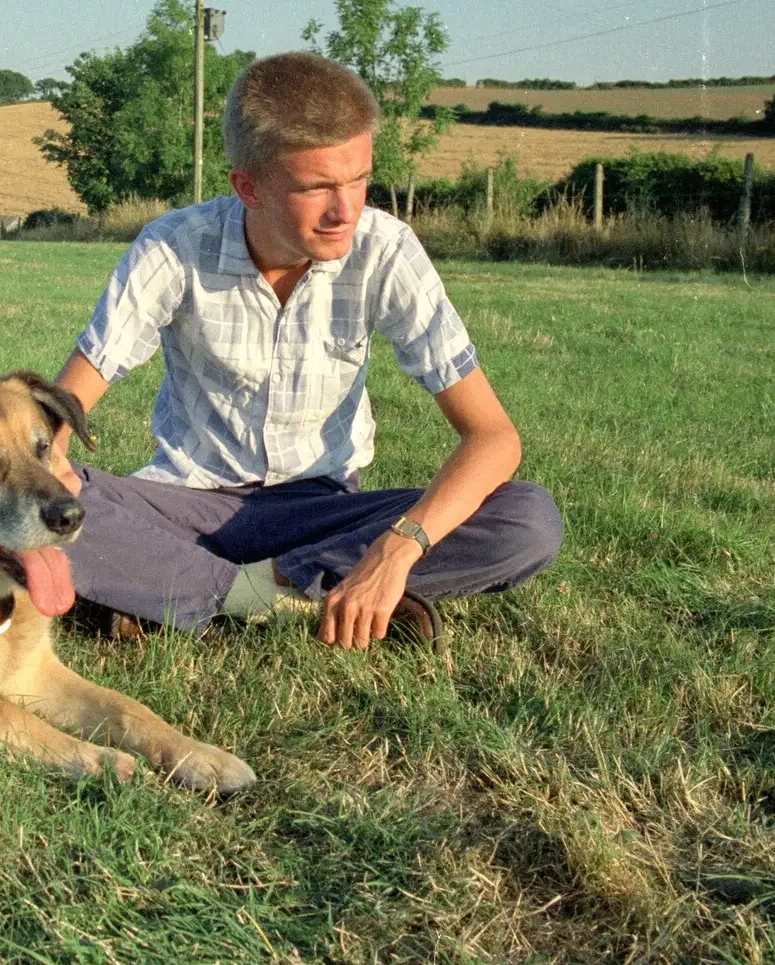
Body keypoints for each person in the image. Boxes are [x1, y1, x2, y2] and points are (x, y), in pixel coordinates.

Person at [47, 51, 563, 651]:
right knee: (22, 495)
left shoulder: (387, 250)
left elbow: (494, 437)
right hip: (181, 508)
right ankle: (270, 600)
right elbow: (61, 409)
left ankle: (166, 595)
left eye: (359, 179)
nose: (346, 210)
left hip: (322, 515)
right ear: (249, 187)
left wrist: (395, 550)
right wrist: (49, 462)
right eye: (317, 187)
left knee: (527, 519)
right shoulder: (175, 245)